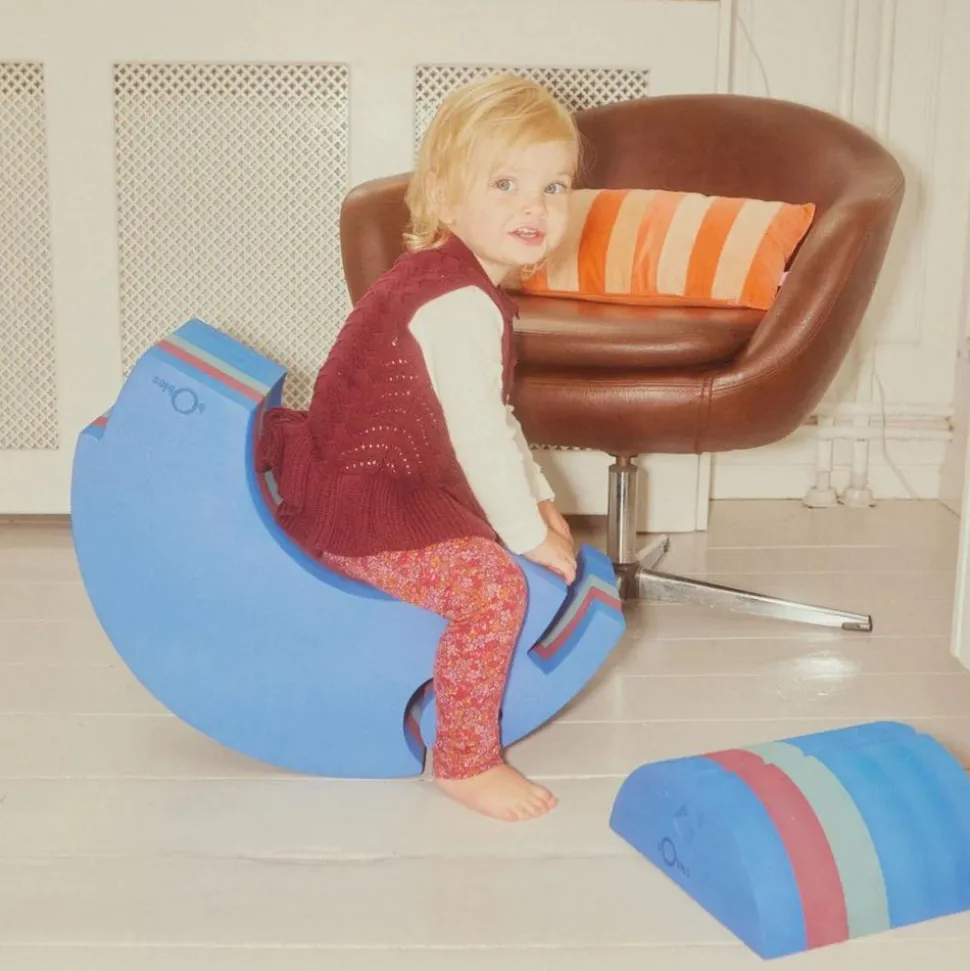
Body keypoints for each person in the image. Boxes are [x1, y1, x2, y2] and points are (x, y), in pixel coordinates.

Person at [259, 74, 580, 821]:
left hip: (375, 483)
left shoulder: (451, 279)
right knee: (493, 590)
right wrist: (525, 532)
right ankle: (466, 761)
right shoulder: (458, 302)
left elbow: (493, 416)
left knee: (501, 551)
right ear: (443, 195)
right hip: (363, 510)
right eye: (505, 183)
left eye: (554, 187)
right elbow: (479, 433)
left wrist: (537, 499)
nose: (534, 207)